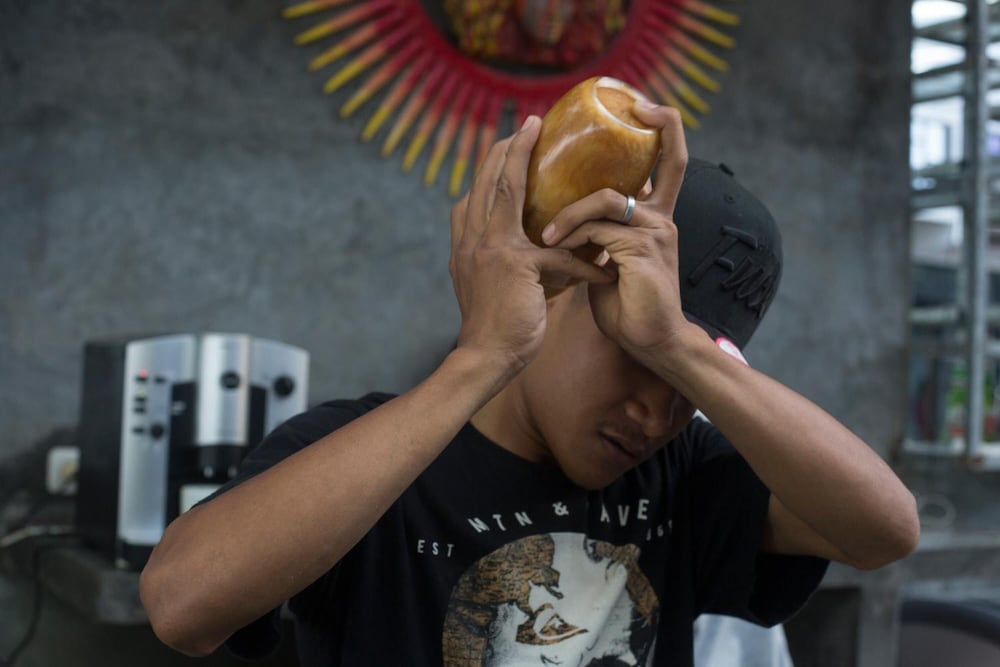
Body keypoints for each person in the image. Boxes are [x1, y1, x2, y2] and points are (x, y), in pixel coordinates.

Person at [139, 104, 920, 666]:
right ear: (554, 287)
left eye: (686, 380)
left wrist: (678, 347)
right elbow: (182, 606)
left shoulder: (683, 478)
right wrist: (482, 356)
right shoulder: (370, 459)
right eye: (632, 350)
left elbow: (884, 530)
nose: (656, 412)